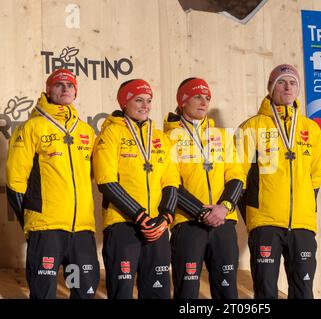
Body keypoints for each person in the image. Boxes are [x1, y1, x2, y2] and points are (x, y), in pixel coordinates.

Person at [5, 68, 100, 299]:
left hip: (82, 229)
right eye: (59, 84)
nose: (65, 88)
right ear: (48, 90)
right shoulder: (32, 127)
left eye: (70, 85)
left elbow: (98, 175)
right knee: (44, 293)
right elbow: (15, 181)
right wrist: (29, 221)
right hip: (46, 229)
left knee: (84, 292)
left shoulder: (86, 131)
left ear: (75, 92)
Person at [237, 64, 321, 299]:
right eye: (281, 82)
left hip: (302, 225)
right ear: (270, 87)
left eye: (293, 83)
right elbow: (238, 176)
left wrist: (305, 209)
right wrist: (254, 214)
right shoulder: (251, 127)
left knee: (303, 291)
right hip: (265, 223)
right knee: (266, 291)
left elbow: (315, 177)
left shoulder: (312, 130)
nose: (288, 87)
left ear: (298, 91)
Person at [92, 79, 179, 299]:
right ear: (124, 103)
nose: (145, 105)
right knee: (121, 293)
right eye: (138, 100)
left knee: (158, 293)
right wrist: (141, 216)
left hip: (157, 227)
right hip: (123, 224)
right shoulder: (110, 134)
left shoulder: (160, 137)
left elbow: (171, 180)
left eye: (149, 100)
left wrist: (166, 216)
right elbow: (106, 181)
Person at [164, 77, 245, 299]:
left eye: (207, 98)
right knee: (188, 293)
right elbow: (171, 184)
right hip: (188, 223)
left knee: (228, 292)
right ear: (182, 101)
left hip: (223, 222)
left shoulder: (221, 136)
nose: (203, 102)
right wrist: (202, 212)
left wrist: (224, 207)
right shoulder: (167, 138)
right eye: (197, 96)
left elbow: (237, 176)